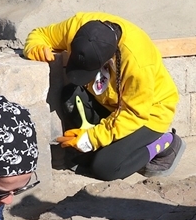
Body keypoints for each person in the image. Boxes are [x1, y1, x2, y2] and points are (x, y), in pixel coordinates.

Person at [23, 12, 185, 180]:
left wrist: (91, 138)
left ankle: (164, 143)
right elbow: (40, 34)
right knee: (69, 95)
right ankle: (103, 148)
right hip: (109, 103)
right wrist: (35, 47)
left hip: (147, 115)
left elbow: (133, 114)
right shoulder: (78, 26)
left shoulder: (138, 63)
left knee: (106, 167)